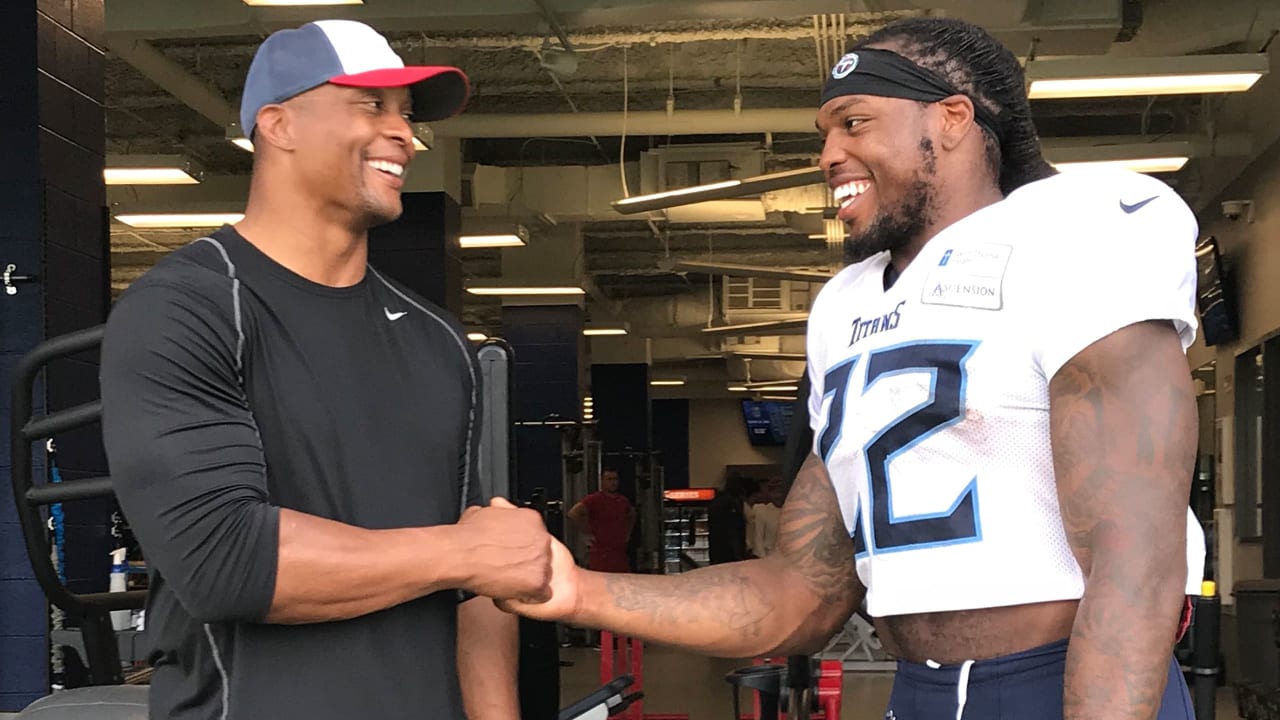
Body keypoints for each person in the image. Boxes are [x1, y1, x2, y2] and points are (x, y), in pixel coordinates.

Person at [501, 16, 1206, 720]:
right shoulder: (846, 307)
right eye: (825, 133)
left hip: (1060, 684)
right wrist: (577, 590)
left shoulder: (1074, 232)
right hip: (917, 689)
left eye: (854, 122)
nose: (829, 152)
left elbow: (1134, 563)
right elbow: (801, 592)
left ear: (953, 119)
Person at [99, 20, 554, 720]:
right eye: (372, 105)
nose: (404, 133)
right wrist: (462, 553)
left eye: (405, 114)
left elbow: (482, 584)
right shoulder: (186, 309)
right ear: (279, 125)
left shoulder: (438, 342)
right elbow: (227, 561)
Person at [567, 469, 636, 573]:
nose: (613, 482)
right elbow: (573, 513)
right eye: (609, 479)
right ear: (602, 481)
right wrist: (586, 531)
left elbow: (632, 514)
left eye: (615, 479)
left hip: (619, 553)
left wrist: (628, 533)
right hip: (601, 553)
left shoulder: (623, 501)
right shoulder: (594, 499)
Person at [707, 475, 758, 564]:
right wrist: (740, 555)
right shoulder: (734, 503)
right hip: (731, 553)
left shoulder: (717, 501)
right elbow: (734, 532)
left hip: (717, 550)